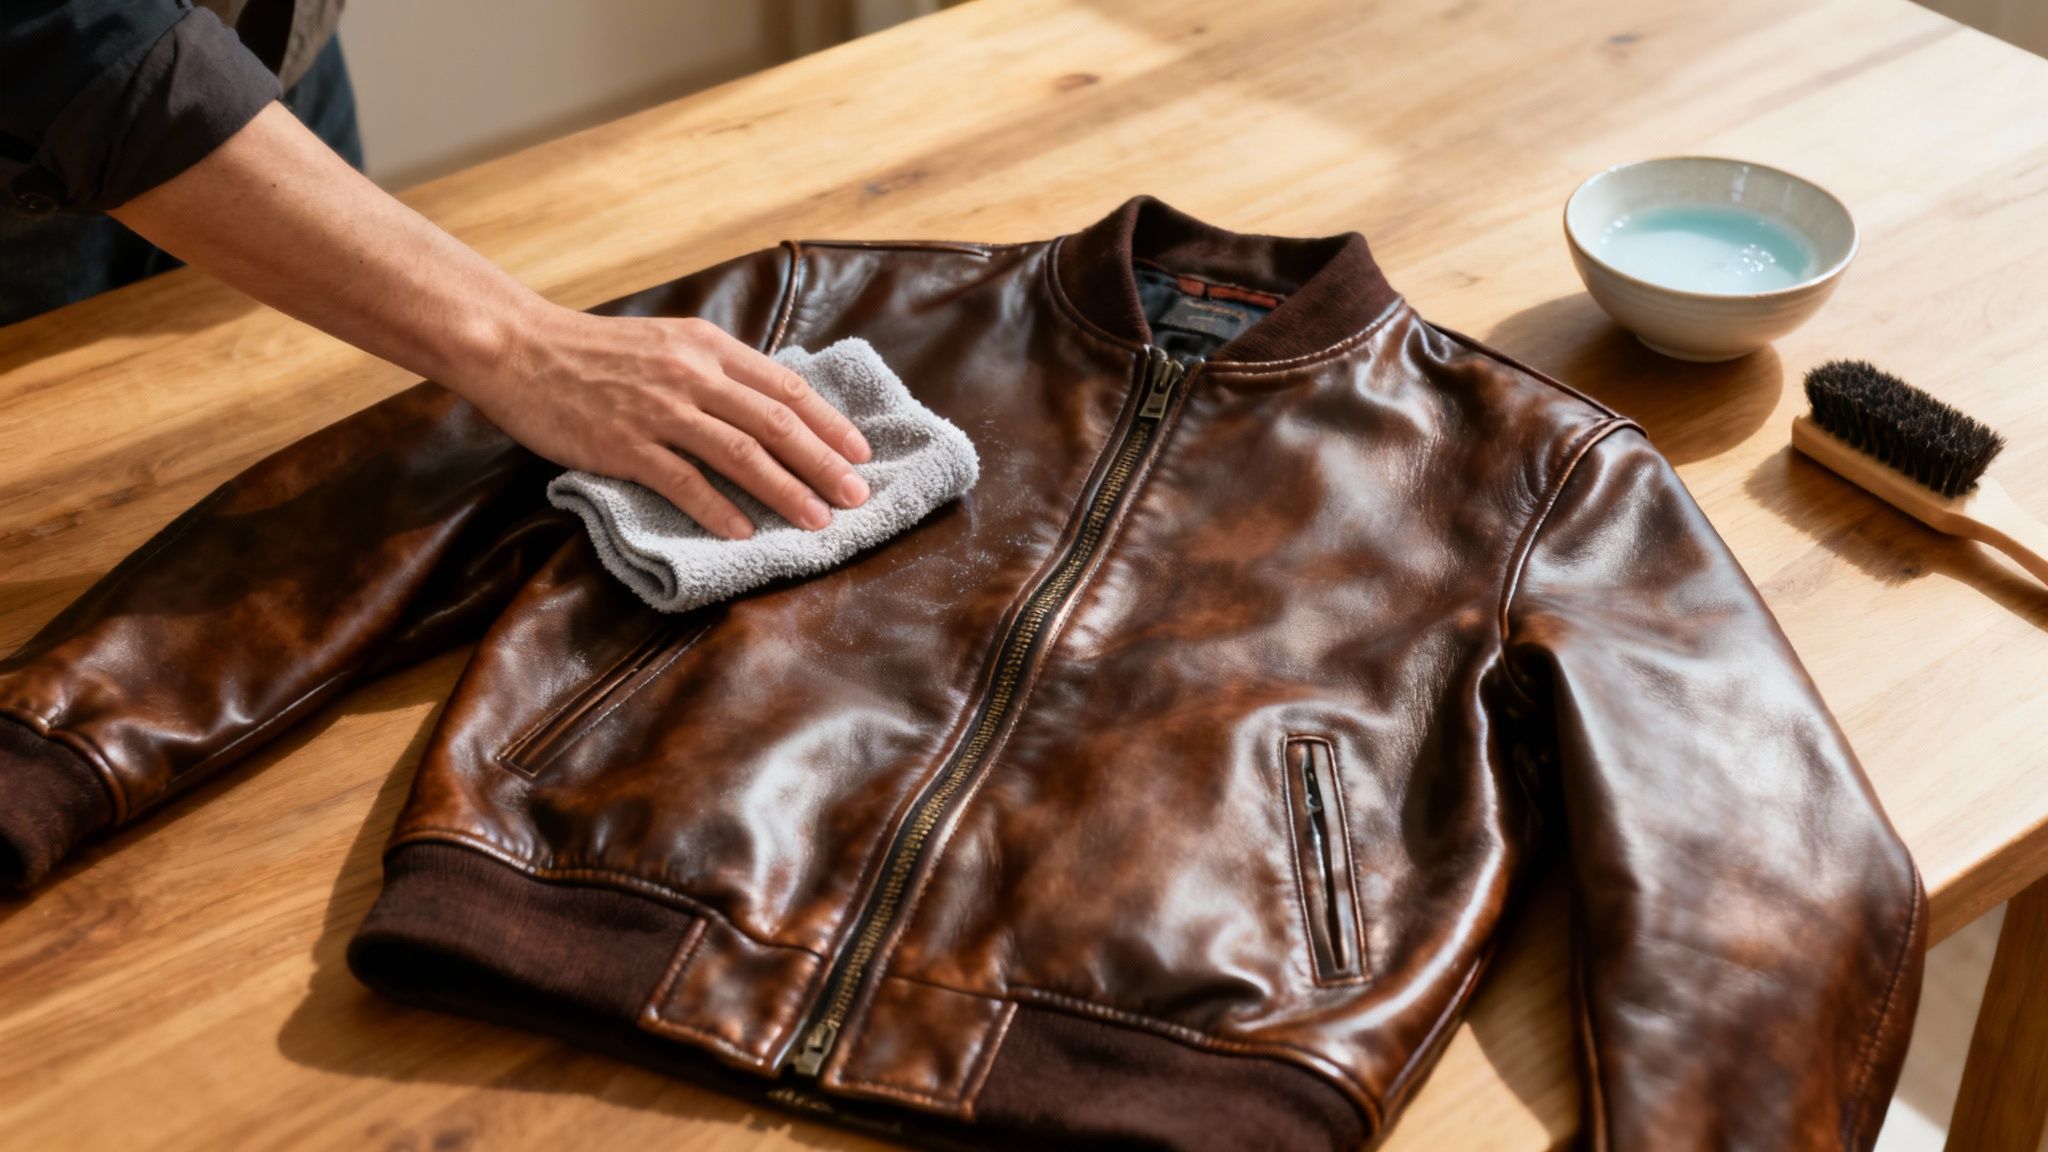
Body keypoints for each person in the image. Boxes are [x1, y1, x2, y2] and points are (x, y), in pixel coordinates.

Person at [1, 0, 870, 541]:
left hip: (264, 65)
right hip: (36, 157)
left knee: (334, 484)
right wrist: (523, 344)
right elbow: (61, 35)